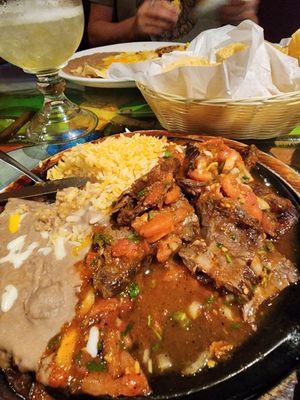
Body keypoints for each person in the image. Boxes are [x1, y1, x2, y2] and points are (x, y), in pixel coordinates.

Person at [88, 0, 259, 47]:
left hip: (215, 79)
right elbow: (94, 34)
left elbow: (251, 29)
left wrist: (242, 17)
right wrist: (132, 27)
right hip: (135, 82)